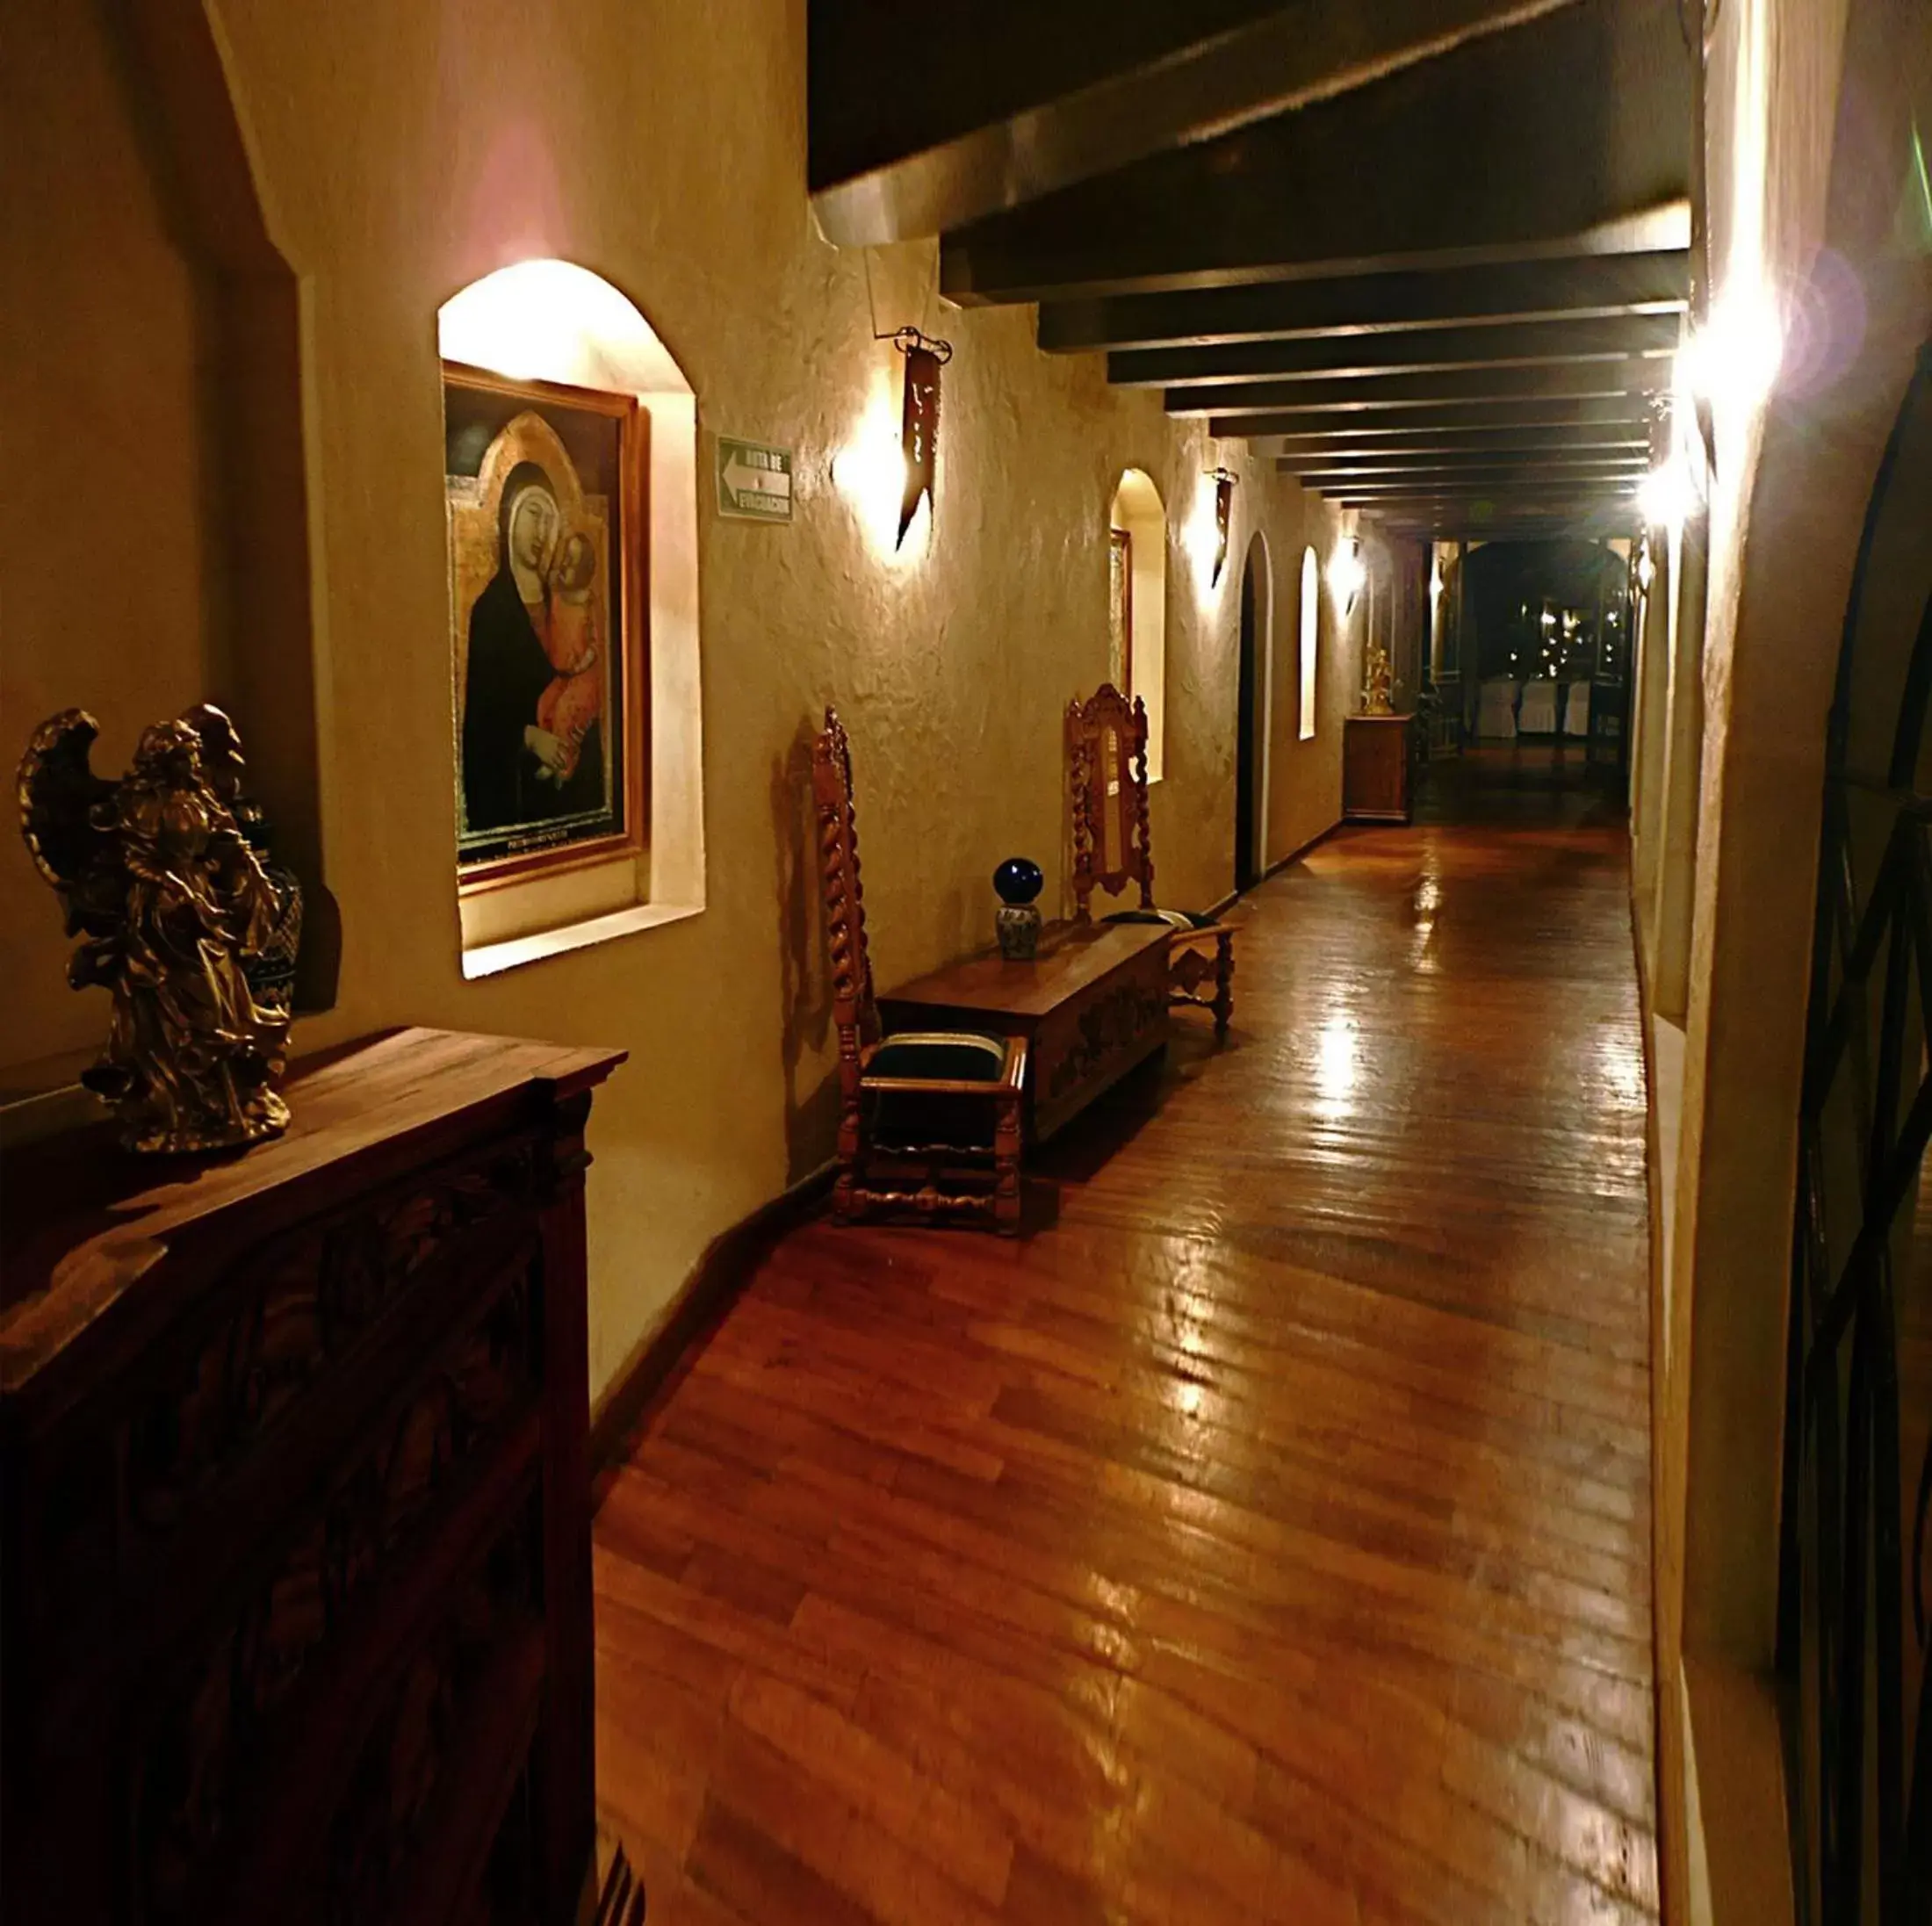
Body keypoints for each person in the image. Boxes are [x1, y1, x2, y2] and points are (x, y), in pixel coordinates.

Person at [460, 464, 605, 833]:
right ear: (510, 519)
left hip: (566, 804)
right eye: (533, 514)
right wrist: (527, 737)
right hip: (517, 800)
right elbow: (480, 724)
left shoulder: (563, 603)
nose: (541, 531)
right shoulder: (491, 612)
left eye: (549, 519)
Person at [536, 529, 604, 787]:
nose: (565, 565)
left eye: (572, 562)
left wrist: (581, 664)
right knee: (545, 705)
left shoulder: (588, 602)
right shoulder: (556, 594)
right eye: (565, 557)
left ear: (585, 571)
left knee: (566, 711)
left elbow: (596, 645)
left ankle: (564, 767)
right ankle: (552, 759)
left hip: (583, 679)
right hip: (561, 675)